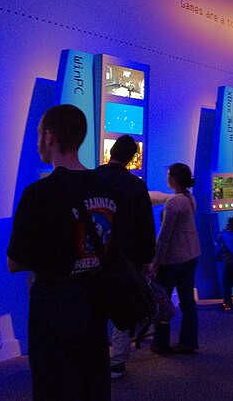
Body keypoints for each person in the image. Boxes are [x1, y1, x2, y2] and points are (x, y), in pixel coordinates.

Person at [7, 104, 118, 400]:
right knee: (93, 381)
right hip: (96, 301)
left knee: (54, 385)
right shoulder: (107, 187)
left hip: (53, 307)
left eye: (39, 133)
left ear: (49, 137)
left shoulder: (38, 194)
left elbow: (15, 261)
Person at [95, 134, 156, 379]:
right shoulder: (136, 186)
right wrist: (147, 259)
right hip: (127, 257)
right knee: (122, 307)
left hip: (97, 254)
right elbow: (146, 226)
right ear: (132, 158)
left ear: (111, 152)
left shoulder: (95, 178)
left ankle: (93, 356)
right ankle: (117, 362)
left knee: (95, 306)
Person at [149, 163, 200, 355]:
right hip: (191, 255)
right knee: (187, 301)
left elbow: (165, 237)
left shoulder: (174, 203)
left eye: (169, 175)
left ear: (175, 179)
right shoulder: (189, 197)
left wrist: (155, 263)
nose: (167, 177)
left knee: (163, 301)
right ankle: (189, 341)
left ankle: (161, 343)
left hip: (173, 260)